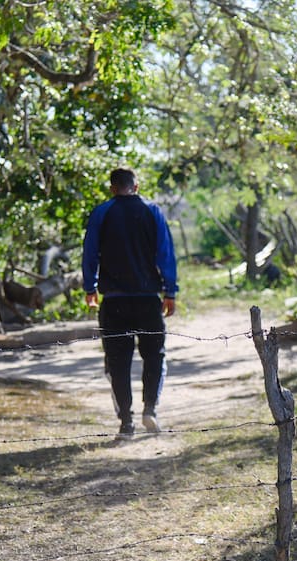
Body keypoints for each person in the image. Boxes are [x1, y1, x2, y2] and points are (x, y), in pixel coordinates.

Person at [82, 168, 179, 438]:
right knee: (154, 356)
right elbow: (165, 253)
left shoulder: (101, 213)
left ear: (113, 189)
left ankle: (126, 422)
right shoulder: (153, 211)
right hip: (148, 300)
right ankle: (150, 409)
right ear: (136, 187)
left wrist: (90, 287)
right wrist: (170, 291)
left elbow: (90, 253)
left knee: (117, 362)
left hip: (113, 301)